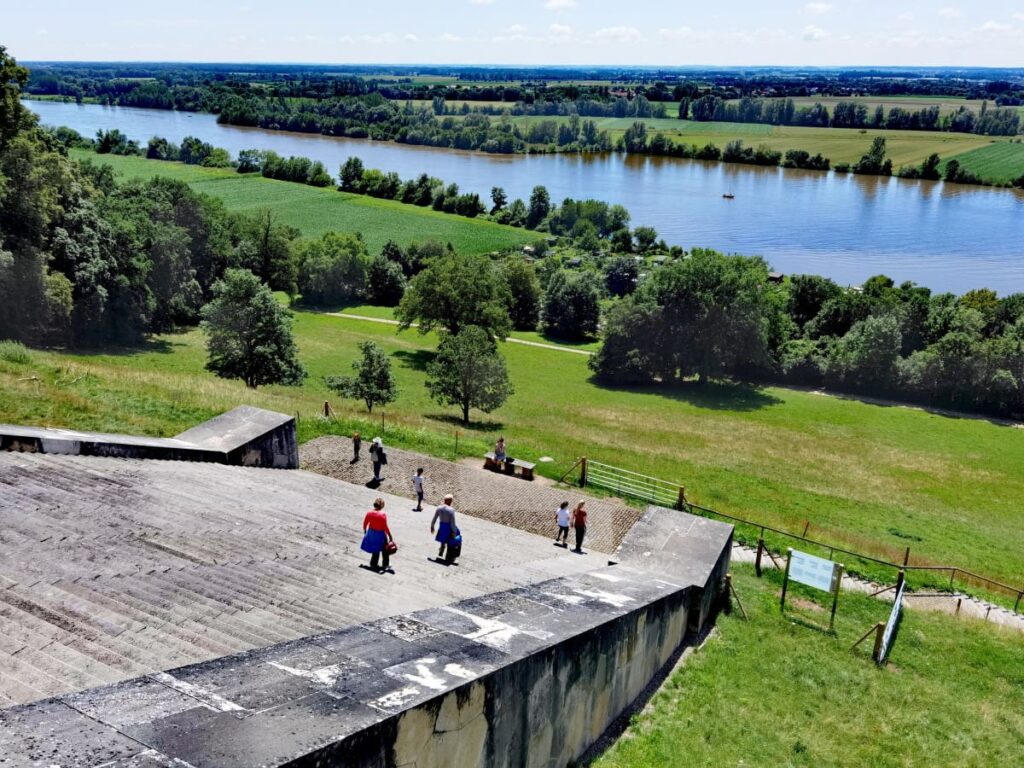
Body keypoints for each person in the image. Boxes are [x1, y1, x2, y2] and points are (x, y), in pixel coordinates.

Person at [361, 497, 394, 572]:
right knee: (385, 550)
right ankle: (385, 564)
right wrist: (390, 536)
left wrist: (365, 532)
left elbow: (365, 524)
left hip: (372, 533)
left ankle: (373, 563)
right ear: (382, 505)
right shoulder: (383, 514)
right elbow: (385, 527)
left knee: (375, 549)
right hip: (381, 534)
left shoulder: (369, 513)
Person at [431, 494, 458, 560]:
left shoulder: (439, 508)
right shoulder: (451, 510)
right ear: (450, 501)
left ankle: (441, 549)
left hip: (442, 526)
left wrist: (432, 526)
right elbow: (452, 523)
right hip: (448, 527)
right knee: (451, 539)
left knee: (443, 538)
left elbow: (434, 518)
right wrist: (454, 531)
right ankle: (449, 555)